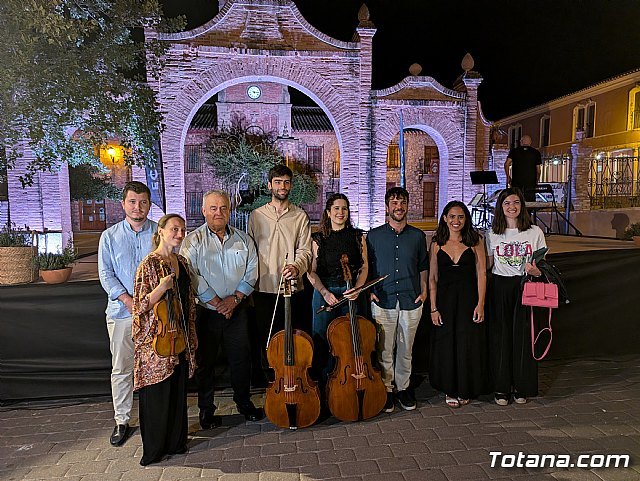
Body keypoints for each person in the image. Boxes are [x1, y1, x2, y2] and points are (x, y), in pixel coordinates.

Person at [180, 190, 263, 428]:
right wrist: (217, 303)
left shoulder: (244, 239)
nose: (219, 212)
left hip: (237, 310)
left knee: (241, 359)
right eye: (213, 208)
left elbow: (252, 271)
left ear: (230, 210)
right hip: (206, 312)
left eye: (223, 208)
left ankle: (244, 403)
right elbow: (191, 276)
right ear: (204, 211)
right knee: (206, 363)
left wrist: (234, 300)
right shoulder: (192, 241)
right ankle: (206, 411)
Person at [132, 214, 197, 466]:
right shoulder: (149, 264)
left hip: (179, 335)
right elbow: (140, 305)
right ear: (160, 231)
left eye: (182, 230)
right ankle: (155, 450)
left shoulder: (181, 261)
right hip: (157, 341)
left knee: (177, 391)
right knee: (158, 393)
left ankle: (176, 442)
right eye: (174, 229)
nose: (179, 234)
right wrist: (161, 287)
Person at [98, 181, 157, 446]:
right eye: (132, 201)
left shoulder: (159, 233)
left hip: (156, 315)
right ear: (123, 204)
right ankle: (122, 420)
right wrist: (127, 299)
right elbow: (106, 274)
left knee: (155, 367)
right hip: (122, 313)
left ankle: (153, 419)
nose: (138, 207)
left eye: (143, 202)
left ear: (149, 204)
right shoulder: (109, 237)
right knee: (122, 368)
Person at [247, 164, 312, 385]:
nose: (282, 186)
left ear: (290, 185)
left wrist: (296, 267)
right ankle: (271, 387)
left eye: (286, 182)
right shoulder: (256, 216)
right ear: (269, 185)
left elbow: (305, 250)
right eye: (277, 182)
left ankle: (293, 383)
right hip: (264, 289)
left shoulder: (300, 216)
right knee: (267, 341)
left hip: (292, 289)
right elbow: (250, 250)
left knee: (292, 340)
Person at [367, 187, 428, 413]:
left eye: (402, 202)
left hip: (411, 299)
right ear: (387, 206)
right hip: (383, 299)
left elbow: (423, 267)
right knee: (384, 349)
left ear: (407, 205)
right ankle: (387, 389)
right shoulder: (373, 236)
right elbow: (368, 267)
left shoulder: (418, 236)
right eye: (394, 202)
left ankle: (403, 388)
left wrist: (424, 292)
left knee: (406, 349)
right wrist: (369, 291)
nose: (398, 206)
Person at [486, 187, 547, 406]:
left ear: (522, 206)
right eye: (506, 203)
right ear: (500, 208)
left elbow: (543, 267)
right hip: (500, 286)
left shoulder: (534, 232)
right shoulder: (492, 233)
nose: (512, 207)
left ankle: (523, 387)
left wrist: (536, 272)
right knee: (501, 337)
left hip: (525, 285)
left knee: (523, 337)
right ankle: (501, 388)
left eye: (516, 203)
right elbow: (489, 264)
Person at [428, 201, 489, 408]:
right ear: (445, 218)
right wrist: (433, 308)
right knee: (447, 343)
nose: (456, 221)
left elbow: (481, 273)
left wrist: (480, 304)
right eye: (452, 216)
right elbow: (432, 278)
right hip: (444, 301)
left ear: (466, 219)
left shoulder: (476, 241)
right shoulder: (436, 242)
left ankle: (466, 387)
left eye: (460, 217)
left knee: (467, 343)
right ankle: (450, 388)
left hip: (468, 299)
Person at [307, 193, 368, 390]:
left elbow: (365, 267)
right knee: (322, 339)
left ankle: (347, 385)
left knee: (350, 340)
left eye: (344, 209)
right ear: (328, 212)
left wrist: (357, 288)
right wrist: (324, 292)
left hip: (351, 292)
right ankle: (324, 386)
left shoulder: (358, 237)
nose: (340, 212)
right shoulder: (318, 238)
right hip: (326, 293)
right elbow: (311, 272)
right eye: (336, 208)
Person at [504, 134, 542, 202]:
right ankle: (529, 212)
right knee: (530, 203)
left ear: (521, 142)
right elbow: (538, 170)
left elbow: (506, 164)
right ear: (530, 142)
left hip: (516, 183)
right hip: (530, 183)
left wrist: (508, 177)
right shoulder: (536, 153)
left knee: (517, 201)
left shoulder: (514, 151)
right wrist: (536, 180)